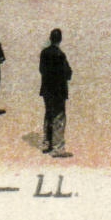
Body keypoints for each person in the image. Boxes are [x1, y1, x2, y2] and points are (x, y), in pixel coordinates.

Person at [38, 28, 72, 157]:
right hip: (58, 91)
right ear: (60, 40)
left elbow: (41, 69)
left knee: (48, 115)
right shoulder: (60, 54)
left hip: (46, 89)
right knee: (59, 117)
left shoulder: (44, 53)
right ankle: (58, 148)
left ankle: (47, 143)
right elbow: (67, 73)